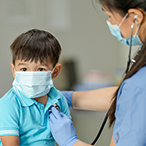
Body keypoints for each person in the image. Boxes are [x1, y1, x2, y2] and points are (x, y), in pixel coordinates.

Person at [49, 0, 146, 146]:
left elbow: (135, 94)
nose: (110, 22)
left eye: (109, 15)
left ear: (135, 17)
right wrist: (67, 98)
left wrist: (70, 142)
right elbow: (126, 96)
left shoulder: (138, 86)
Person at [0, 29, 71, 146]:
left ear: (55, 71)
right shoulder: (8, 104)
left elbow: (64, 139)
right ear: (14, 70)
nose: (31, 75)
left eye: (40, 69)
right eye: (24, 69)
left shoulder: (58, 99)